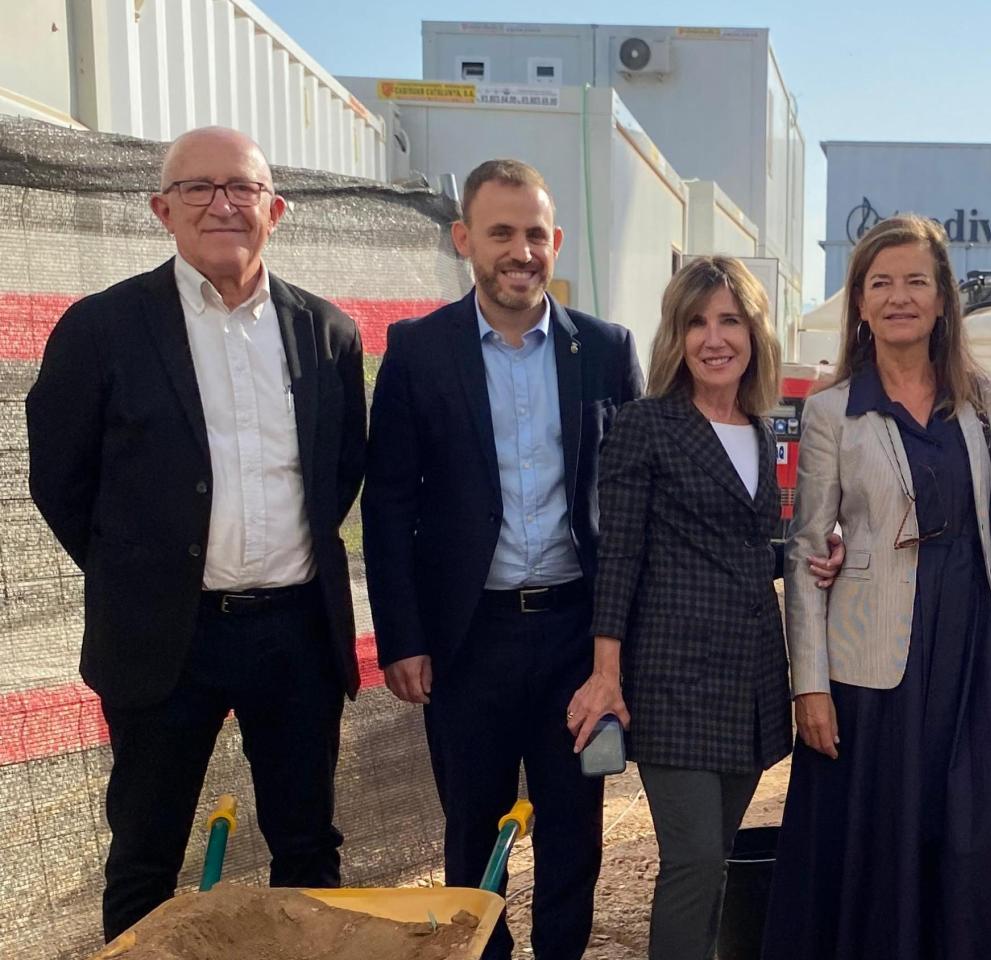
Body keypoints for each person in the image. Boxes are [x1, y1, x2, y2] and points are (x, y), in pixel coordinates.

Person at [27, 126, 366, 941]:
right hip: (162, 638)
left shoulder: (327, 334)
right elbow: (60, 482)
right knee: (147, 854)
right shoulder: (101, 328)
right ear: (162, 210)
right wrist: (142, 572)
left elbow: (338, 473)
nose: (223, 205)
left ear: (275, 210)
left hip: (294, 637)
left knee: (308, 847)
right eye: (199, 189)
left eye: (242, 188)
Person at [361, 158, 642, 960]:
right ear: (464, 240)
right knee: (471, 837)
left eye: (534, 234)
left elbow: (626, 505)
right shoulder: (418, 350)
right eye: (501, 233)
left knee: (572, 836)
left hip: (573, 643)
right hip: (466, 641)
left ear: (555, 242)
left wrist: (616, 649)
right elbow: (387, 505)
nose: (521, 251)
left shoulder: (605, 350)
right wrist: (404, 636)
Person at [764, 213, 991, 960]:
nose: (899, 297)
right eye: (880, 283)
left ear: (943, 297)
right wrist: (810, 685)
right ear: (859, 303)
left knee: (985, 828)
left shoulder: (981, 400)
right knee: (878, 840)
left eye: (916, 281)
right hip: (871, 659)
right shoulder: (832, 412)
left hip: (972, 650)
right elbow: (804, 549)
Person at [568, 256, 803, 960]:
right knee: (695, 860)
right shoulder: (648, 424)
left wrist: (811, 555)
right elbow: (622, 557)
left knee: (719, 860)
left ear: (754, 333)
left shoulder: (763, 429)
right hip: (672, 680)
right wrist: (605, 674)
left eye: (730, 320)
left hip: (752, 678)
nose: (713, 338)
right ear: (675, 335)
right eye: (696, 322)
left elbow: (750, 545)